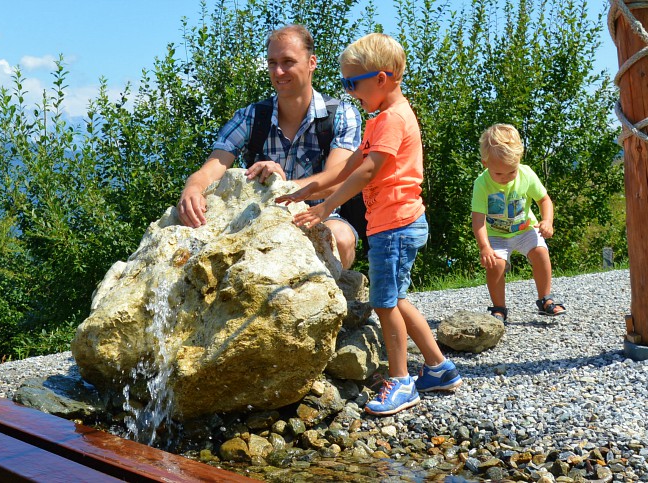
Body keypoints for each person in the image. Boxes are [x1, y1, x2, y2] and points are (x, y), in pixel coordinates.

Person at [279, 33, 461, 416]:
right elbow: (345, 167)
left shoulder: (393, 119)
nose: (349, 92)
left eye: (352, 83)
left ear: (384, 78)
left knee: (383, 303)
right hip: (391, 224)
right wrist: (304, 189)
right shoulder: (379, 120)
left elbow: (366, 171)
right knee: (397, 298)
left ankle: (400, 381)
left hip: (395, 225)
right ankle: (439, 368)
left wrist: (325, 207)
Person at [177, 24, 364, 268]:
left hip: (321, 218)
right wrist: (192, 189)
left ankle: (332, 300)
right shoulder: (250, 117)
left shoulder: (342, 114)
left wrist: (280, 186)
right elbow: (212, 167)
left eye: (288, 61)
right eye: (272, 62)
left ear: (311, 63)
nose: (278, 71)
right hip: (259, 221)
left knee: (340, 237)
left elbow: (337, 181)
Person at [471, 123, 567, 323]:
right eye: (499, 174)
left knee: (540, 252)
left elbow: (544, 200)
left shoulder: (526, 174)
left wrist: (547, 220)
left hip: (525, 229)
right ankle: (499, 308)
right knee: (495, 265)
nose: (505, 178)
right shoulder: (481, 184)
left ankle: (545, 299)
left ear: (519, 161)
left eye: (511, 172)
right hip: (496, 235)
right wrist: (484, 247)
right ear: (485, 163)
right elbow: (478, 220)